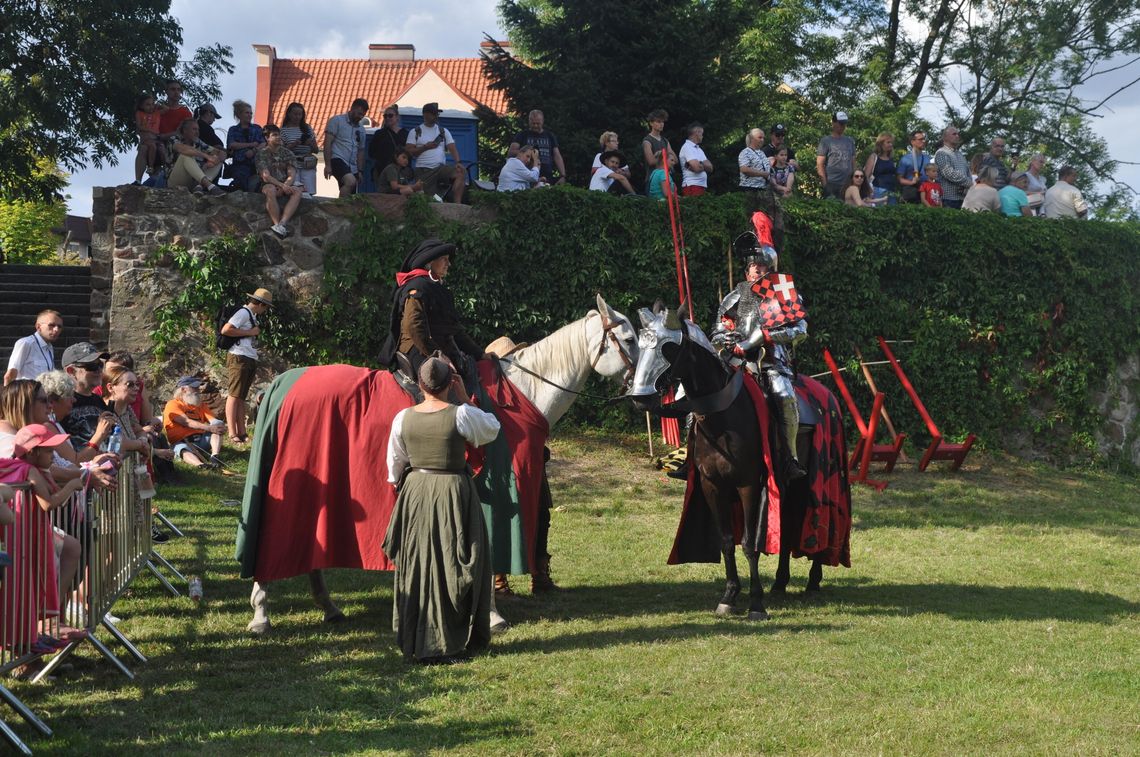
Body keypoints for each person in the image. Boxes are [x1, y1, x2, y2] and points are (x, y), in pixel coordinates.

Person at [382, 354, 501, 664]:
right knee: (455, 563)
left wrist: (408, 486)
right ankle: (447, 640)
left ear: (419, 385)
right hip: (453, 493)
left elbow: (394, 468)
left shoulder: (402, 418)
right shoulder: (461, 415)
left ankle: (418, 638)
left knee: (419, 566)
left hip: (416, 493)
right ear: (451, 383)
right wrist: (465, 398)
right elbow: (492, 429)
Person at [710, 228, 807, 481]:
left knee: (784, 395)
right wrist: (727, 339)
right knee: (699, 388)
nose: (757, 270)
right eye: (753, 265)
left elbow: (800, 330)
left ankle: (790, 458)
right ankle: (689, 454)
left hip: (771, 361)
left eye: (762, 267)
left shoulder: (783, 292)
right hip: (736, 361)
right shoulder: (735, 297)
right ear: (747, 269)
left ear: (771, 271)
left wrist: (766, 337)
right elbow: (717, 333)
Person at [379, 239, 485, 395]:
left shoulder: (437, 288)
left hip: (440, 347)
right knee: (446, 385)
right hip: (418, 349)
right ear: (430, 262)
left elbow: (454, 330)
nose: (449, 264)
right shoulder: (418, 287)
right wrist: (437, 357)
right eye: (444, 259)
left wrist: (480, 354)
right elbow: (414, 326)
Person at [220, 288, 272, 444]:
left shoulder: (251, 315)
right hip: (238, 356)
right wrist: (251, 332)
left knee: (241, 397)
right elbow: (226, 330)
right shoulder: (243, 313)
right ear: (261, 304)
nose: (266, 310)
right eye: (266, 306)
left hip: (247, 356)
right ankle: (232, 433)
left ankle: (242, 433)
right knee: (234, 395)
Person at [404, 103, 464, 203]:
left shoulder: (443, 131)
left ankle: (458, 205)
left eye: (437, 114)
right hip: (424, 170)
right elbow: (409, 151)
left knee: (460, 173)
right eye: (433, 114)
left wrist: (458, 162)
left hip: (440, 168)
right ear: (425, 115)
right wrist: (425, 147)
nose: (436, 116)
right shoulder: (415, 132)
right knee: (428, 199)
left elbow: (452, 148)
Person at [59, 342, 113, 451]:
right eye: (92, 366)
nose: (98, 370)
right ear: (71, 371)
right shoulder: (61, 402)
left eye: (100, 365)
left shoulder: (98, 400)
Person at [163, 377, 224, 469]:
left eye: (198, 387)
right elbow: (186, 422)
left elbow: (213, 421)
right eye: (194, 387)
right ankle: (200, 465)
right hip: (183, 442)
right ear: (183, 389)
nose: (198, 390)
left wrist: (219, 425)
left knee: (217, 428)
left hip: (202, 440)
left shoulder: (201, 405)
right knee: (182, 450)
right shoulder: (173, 404)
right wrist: (209, 428)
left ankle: (215, 456)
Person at [256, 125, 303, 238]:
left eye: (279, 134)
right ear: (267, 138)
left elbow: (292, 174)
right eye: (274, 135)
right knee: (270, 190)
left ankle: (282, 223)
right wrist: (281, 185)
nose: (278, 137)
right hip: (269, 184)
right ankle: (276, 224)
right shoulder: (261, 153)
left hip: (285, 183)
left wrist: (285, 186)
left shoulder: (288, 153)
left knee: (298, 191)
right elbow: (265, 176)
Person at [168, 118, 226, 195]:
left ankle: (200, 186)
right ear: (185, 130)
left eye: (198, 130)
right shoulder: (174, 138)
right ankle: (210, 186)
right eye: (194, 129)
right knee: (186, 156)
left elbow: (219, 152)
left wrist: (217, 159)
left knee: (218, 161)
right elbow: (182, 149)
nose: (197, 132)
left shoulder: (198, 142)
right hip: (176, 180)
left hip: (194, 181)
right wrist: (207, 156)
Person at [324, 98, 369, 197]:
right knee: (350, 181)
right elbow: (327, 143)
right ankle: (339, 207)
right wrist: (327, 165)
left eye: (362, 115)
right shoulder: (337, 120)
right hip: (337, 158)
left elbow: (361, 151)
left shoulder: (361, 129)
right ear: (352, 108)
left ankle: (342, 209)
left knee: (351, 193)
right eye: (359, 113)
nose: (360, 117)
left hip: (352, 165)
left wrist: (360, 170)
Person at [6, 309, 63, 385]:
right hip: (27, 395)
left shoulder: (49, 347)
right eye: (51, 325)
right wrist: (7, 397)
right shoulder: (26, 343)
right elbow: (10, 375)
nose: (56, 329)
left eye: (59, 326)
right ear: (38, 327)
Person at [509, 109, 566, 184]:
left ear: (542, 121)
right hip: (527, 174)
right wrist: (527, 153)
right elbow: (511, 152)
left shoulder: (549, 136)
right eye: (533, 123)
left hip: (547, 175)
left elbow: (557, 155)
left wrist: (562, 175)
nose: (535, 126)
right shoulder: (522, 135)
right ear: (529, 121)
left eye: (538, 123)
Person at [279, 102, 319, 197]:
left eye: (300, 114)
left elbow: (316, 150)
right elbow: (281, 151)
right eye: (295, 114)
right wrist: (294, 144)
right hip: (292, 164)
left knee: (309, 191)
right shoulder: (283, 131)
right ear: (289, 114)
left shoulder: (307, 128)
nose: (297, 117)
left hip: (307, 163)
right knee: (295, 190)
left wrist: (310, 143)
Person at [225, 99, 265, 192]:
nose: (250, 115)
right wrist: (251, 144)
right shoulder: (233, 129)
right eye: (247, 113)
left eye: (251, 113)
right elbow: (232, 145)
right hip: (240, 163)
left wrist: (254, 150)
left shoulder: (257, 128)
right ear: (239, 114)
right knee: (241, 185)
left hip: (256, 163)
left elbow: (263, 143)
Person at [816, 111, 856, 199]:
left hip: (847, 184)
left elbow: (853, 163)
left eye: (845, 123)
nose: (843, 126)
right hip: (832, 183)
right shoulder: (826, 141)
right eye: (841, 123)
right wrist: (825, 185)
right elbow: (820, 164)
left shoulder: (850, 141)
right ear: (833, 123)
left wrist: (854, 182)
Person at [369, 105, 408, 189]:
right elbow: (371, 152)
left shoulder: (405, 133)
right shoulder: (379, 134)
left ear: (397, 117)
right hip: (383, 170)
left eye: (390, 115)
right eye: (385, 116)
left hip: (401, 171)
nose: (387, 118)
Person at [934, 125, 972, 209]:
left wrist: (967, 186)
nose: (957, 136)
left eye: (958, 134)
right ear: (945, 137)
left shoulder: (960, 154)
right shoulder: (941, 153)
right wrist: (969, 183)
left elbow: (968, 171)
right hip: (948, 198)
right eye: (954, 134)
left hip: (962, 197)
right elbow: (948, 173)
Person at [133, 93, 167, 184]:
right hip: (147, 140)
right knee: (151, 147)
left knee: (162, 149)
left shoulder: (156, 113)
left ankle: (167, 168)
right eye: (148, 104)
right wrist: (150, 131)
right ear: (141, 105)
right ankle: (150, 167)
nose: (151, 106)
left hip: (156, 139)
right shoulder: (139, 113)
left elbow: (166, 109)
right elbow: (139, 126)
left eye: (152, 104)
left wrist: (158, 105)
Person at [641, 109, 677, 192]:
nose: (661, 124)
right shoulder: (647, 141)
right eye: (658, 121)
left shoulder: (665, 140)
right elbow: (651, 162)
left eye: (663, 122)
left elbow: (675, 160)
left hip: (666, 179)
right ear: (651, 123)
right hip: (653, 180)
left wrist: (661, 155)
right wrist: (665, 155)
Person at [896, 130, 931, 204]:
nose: (923, 141)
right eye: (920, 139)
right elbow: (899, 179)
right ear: (913, 142)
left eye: (924, 139)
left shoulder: (927, 158)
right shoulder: (905, 159)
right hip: (912, 193)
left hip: (925, 193)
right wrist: (911, 182)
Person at [679, 123, 713, 196]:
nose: (702, 136)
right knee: (695, 207)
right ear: (696, 133)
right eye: (702, 133)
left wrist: (700, 164)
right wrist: (701, 165)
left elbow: (710, 168)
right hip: (692, 186)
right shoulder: (687, 147)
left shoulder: (699, 149)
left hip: (700, 186)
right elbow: (696, 168)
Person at [864, 133, 897, 203]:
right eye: (888, 142)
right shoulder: (874, 157)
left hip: (891, 191)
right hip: (878, 190)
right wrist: (870, 190)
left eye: (891, 142)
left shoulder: (891, 159)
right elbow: (866, 176)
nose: (891, 144)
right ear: (881, 144)